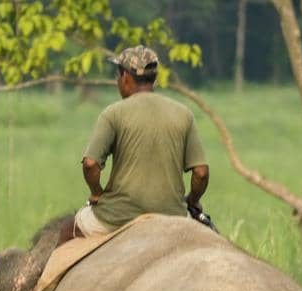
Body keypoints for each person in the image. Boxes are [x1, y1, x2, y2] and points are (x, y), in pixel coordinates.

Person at [74, 46, 211, 238]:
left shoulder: (113, 113)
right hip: (172, 216)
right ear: (153, 79)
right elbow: (201, 173)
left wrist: (97, 193)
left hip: (117, 217)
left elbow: (90, 164)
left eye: (118, 74)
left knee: (68, 231)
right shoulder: (183, 113)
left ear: (126, 77)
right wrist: (193, 200)